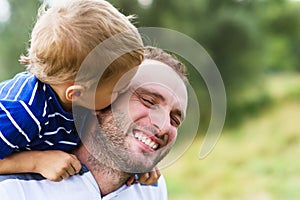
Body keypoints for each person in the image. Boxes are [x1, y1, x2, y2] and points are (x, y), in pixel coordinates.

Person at [0, 46, 189, 199]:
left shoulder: (151, 190)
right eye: (148, 101)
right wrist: (33, 162)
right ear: (97, 97)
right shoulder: (13, 188)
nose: (164, 126)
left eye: (175, 119)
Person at [0, 0, 147, 182]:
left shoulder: (86, 98)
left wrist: (136, 162)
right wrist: (36, 161)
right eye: (118, 90)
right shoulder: (23, 112)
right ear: (76, 93)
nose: (125, 94)